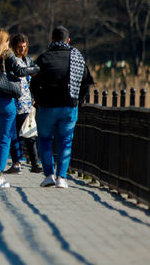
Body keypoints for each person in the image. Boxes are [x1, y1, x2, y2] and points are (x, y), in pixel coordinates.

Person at [30, 26, 94, 189]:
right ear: (68, 41)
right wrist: (78, 102)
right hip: (68, 106)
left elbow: (34, 84)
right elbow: (85, 83)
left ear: (52, 40)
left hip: (47, 107)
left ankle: (49, 175)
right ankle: (62, 178)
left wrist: (38, 101)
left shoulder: (43, 58)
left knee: (44, 140)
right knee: (65, 141)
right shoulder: (77, 58)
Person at [0, 28, 40, 189]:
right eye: (7, 41)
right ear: (4, 42)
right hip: (6, 102)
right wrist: (34, 69)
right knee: (4, 139)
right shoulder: (7, 54)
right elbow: (19, 71)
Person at [5, 33, 41, 174]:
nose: (22, 50)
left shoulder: (28, 59)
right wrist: (33, 70)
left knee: (30, 133)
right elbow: (21, 72)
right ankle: (17, 163)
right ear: (14, 46)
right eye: (19, 47)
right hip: (14, 101)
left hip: (27, 102)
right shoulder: (11, 59)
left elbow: (35, 73)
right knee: (16, 135)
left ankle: (34, 163)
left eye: (24, 47)